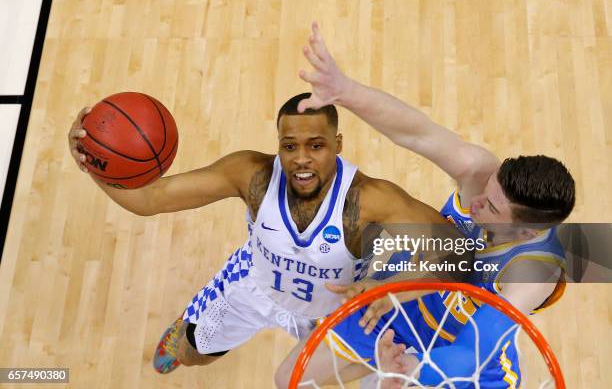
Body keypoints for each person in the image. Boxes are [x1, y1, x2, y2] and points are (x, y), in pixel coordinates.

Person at [68, 92, 458, 375]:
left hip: (332, 312)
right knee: (192, 354)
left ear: (337, 145)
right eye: (290, 146)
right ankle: (184, 334)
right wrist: (94, 164)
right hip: (253, 289)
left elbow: (459, 250)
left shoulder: (372, 199)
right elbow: (149, 199)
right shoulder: (251, 175)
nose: (301, 158)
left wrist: (393, 285)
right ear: (278, 146)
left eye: (316, 146)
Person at [274, 22, 575, 388]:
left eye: (492, 208)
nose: (475, 202)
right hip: (401, 299)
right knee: (289, 379)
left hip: (459, 344)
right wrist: (345, 90)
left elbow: (473, 349)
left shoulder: (534, 270)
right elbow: (417, 132)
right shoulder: (481, 173)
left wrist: (411, 372)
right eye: (487, 190)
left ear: (527, 230)